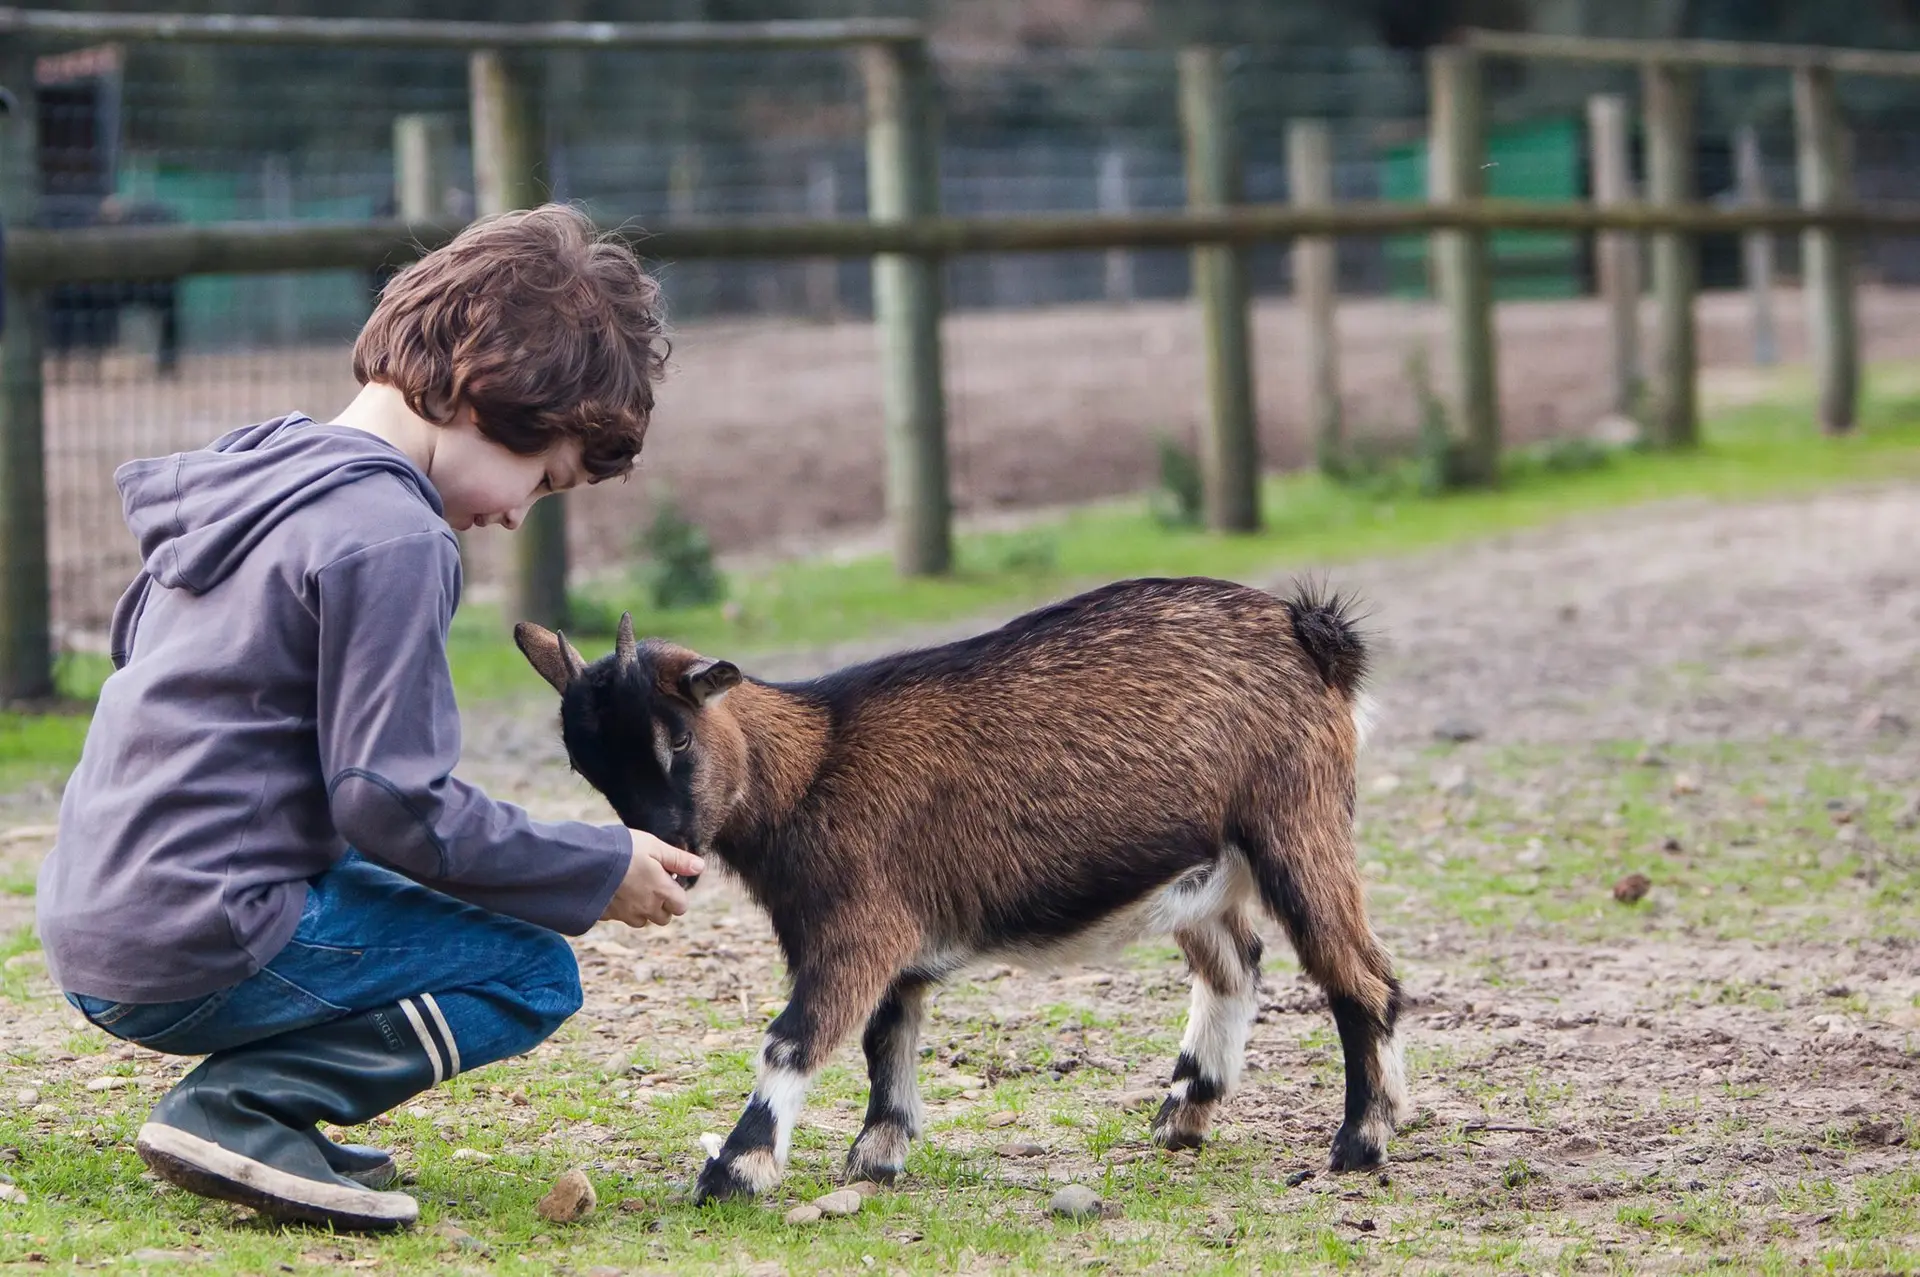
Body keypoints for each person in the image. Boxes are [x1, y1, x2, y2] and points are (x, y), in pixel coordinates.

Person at [34, 204, 701, 1232]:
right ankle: (245, 1105)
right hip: (196, 936)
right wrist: (591, 867)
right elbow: (395, 803)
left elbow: (154, 668)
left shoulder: (257, 471)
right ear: (492, 393)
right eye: (544, 475)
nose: (521, 512)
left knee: (433, 897)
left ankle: (259, 1101)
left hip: (95, 910)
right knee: (527, 965)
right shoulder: (391, 534)